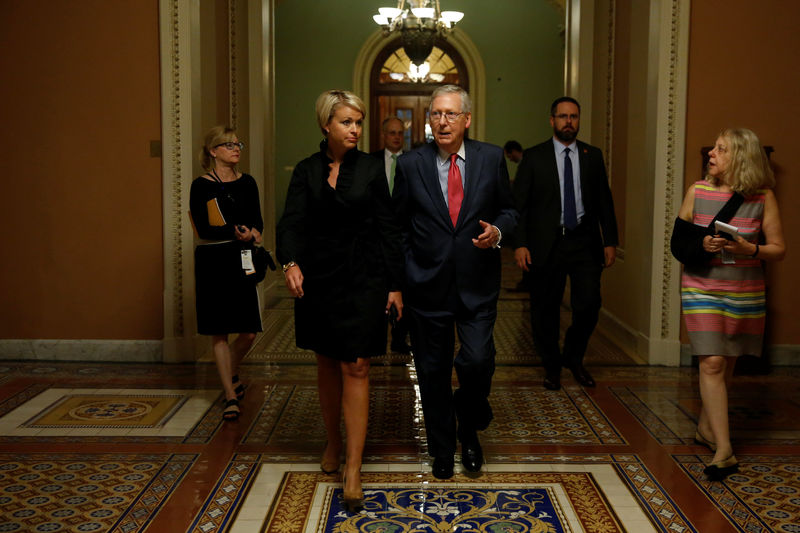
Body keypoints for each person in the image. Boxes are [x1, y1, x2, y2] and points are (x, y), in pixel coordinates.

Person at [276, 90, 404, 512]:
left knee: (359, 365)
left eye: (358, 122)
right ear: (326, 125)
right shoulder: (307, 171)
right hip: (319, 282)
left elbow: (389, 228)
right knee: (327, 362)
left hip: (365, 279)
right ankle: (333, 441)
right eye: (347, 122)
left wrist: (394, 285)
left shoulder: (370, 168)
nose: (355, 129)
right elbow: (290, 223)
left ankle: (353, 466)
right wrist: (291, 263)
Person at [393, 85, 518, 480]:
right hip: (426, 285)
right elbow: (398, 228)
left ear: (466, 119)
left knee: (478, 360)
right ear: (429, 120)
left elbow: (510, 210)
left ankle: (469, 425)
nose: (442, 121)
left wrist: (498, 231)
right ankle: (443, 449)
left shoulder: (491, 157)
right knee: (432, 372)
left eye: (450, 114)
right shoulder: (411, 164)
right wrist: (398, 282)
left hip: (477, 282)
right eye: (435, 114)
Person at [678, 128, 785, 480]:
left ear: (740, 157)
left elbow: (778, 250)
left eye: (721, 149)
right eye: (714, 147)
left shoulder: (762, 197)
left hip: (744, 289)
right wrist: (704, 244)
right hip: (701, 287)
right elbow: (679, 243)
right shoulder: (697, 190)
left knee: (726, 363)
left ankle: (706, 431)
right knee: (710, 362)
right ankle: (724, 450)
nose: (711, 152)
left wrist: (748, 249)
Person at [512, 96, 618, 391]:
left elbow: (604, 202)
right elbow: (518, 205)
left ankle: (573, 356)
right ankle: (551, 365)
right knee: (544, 309)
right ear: (552, 121)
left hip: (584, 242)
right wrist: (519, 244)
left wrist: (610, 240)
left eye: (573, 116)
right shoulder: (535, 157)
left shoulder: (592, 155)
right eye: (562, 116)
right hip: (546, 244)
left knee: (589, 304)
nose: (568, 121)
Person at [190, 126, 264, 422]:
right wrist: (233, 231)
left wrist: (253, 232)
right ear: (213, 151)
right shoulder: (201, 185)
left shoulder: (248, 183)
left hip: (242, 258)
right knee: (219, 331)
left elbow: (258, 219)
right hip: (213, 259)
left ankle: (229, 372)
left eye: (238, 144)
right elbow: (203, 227)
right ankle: (230, 395)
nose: (236, 148)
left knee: (247, 332)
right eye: (229, 144)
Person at [371, 116, 411, 354]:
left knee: (403, 287)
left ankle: (399, 338)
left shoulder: (414, 162)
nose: (396, 136)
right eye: (392, 132)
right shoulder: (370, 162)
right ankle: (377, 337)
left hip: (405, 236)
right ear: (384, 135)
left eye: (400, 133)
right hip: (376, 236)